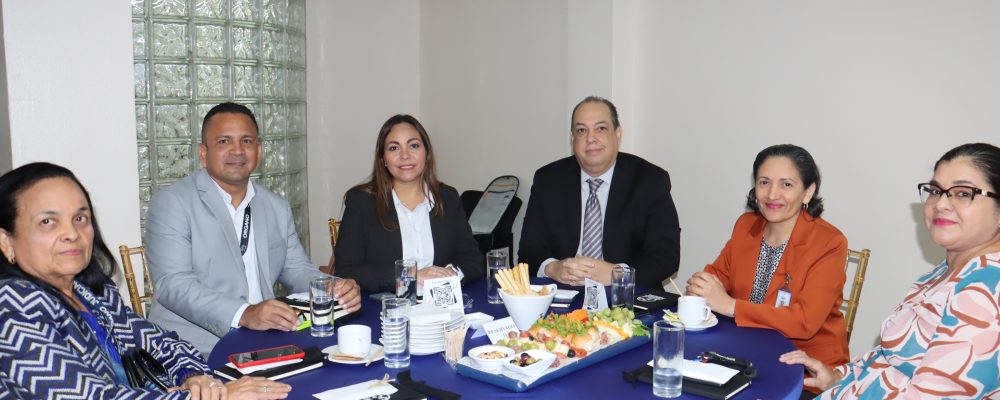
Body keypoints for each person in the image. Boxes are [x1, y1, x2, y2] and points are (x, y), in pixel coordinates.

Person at [0, 162, 290, 399]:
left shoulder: (92, 294)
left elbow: (165, 343)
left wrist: (193, 378)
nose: (72, 234)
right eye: (47, 222)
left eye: (80, 218)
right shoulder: (12, 308)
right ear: (6, 241)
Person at [781, 143, 1000, 399]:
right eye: (935, 191)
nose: (941, 203)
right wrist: (839, 377)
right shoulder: (946, 272)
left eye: (963, 193)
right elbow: (892, 357)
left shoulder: (985, 293)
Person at [146, 102, 361, 357]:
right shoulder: (173, 202)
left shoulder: (276, 206)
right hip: (192, 351)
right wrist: (245, 313)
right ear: (203, 154)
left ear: (258, 152)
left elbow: (296, 269)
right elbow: (173, 284)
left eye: (246, 141)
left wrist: (333, 287)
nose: (237, 150)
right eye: (224, 141)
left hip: (266, 341)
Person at [686, 144, 849, 396]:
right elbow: (717, 278)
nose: (772, 194)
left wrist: (730, 306)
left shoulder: (829, 243)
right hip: (744, 355)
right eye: (764, 182)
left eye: (786, 184)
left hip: (805, 368)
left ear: (808, 192)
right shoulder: (746, 225)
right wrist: (702, 287)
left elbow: (804, 322)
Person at [518, 96, 681, 288]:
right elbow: (529, 250)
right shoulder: (548, 180)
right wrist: (553, 268)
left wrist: (617, 274)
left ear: (617, 134)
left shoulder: (650, 180)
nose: (590, 138)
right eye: (581, 130)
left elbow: (666, 257)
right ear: (572, 138)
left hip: (626, 297)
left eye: (601, 128)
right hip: (564, 294)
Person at [336, 114, 483, 293]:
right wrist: (408, 275)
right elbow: (346, 271)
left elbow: (472, 258)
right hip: (385, 306)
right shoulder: (361, 202)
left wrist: (448, 274)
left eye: (413, 145)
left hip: (440, 304)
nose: (405, 155)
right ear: (383, 158)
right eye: (394, 148)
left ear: (427, 153)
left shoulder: (448, 197)